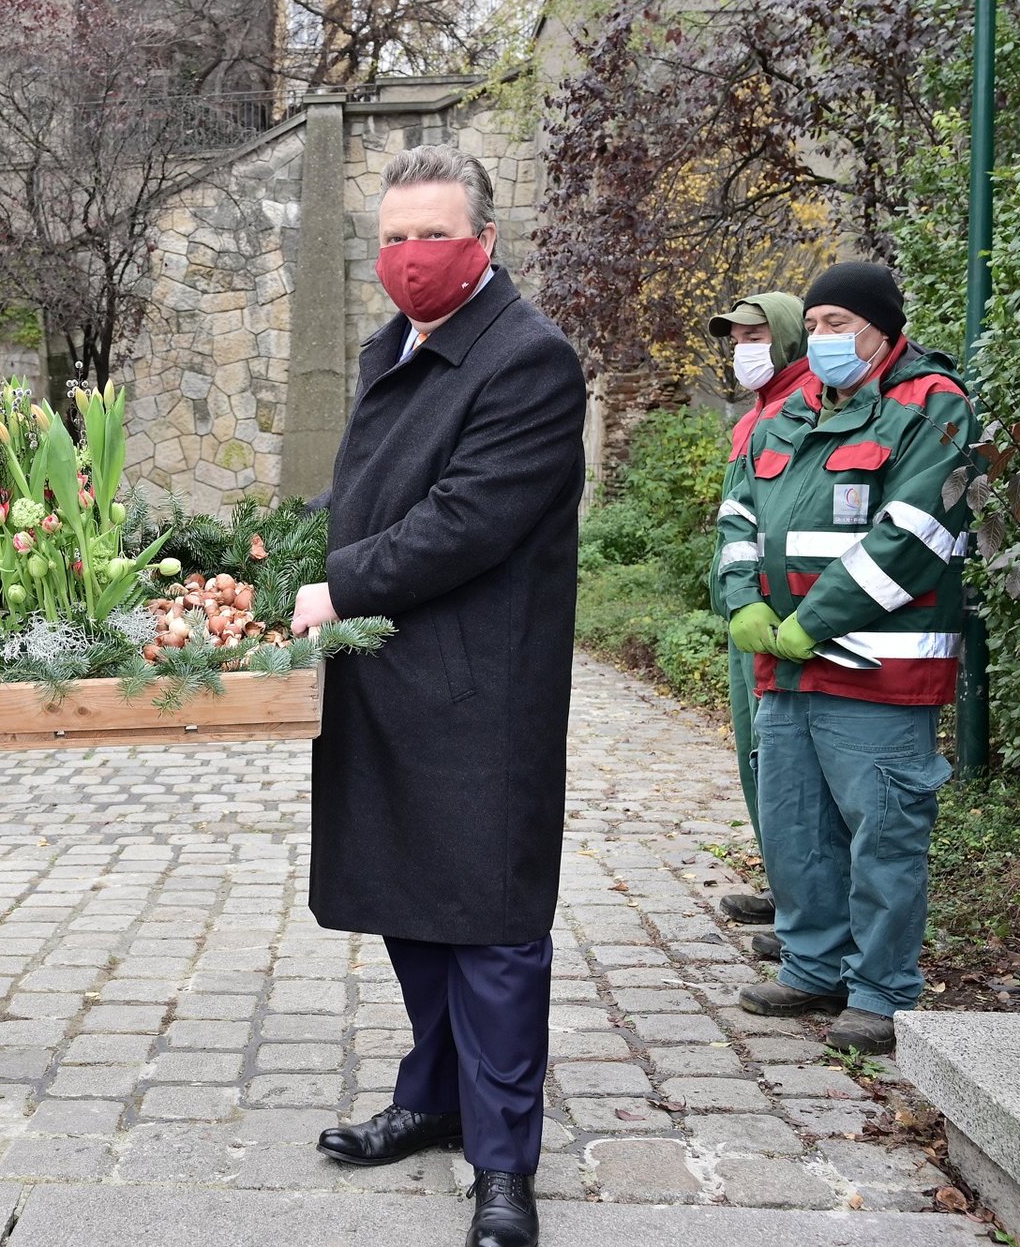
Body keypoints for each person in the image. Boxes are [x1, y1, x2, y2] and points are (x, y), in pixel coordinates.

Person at [292, 145, 587, 1247]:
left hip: (478, 693)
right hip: (386, 673)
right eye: (396, 237)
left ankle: (504, 1165)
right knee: (410, 901)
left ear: (485, 242)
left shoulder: (528, 360)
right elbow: (371, 491)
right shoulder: (395, 347)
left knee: (494, 926)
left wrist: (338, 584)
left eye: (435, 234)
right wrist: (276, 550)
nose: (412, 257)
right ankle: (434, 1092)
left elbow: (470, 516)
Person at [715, 261, 973, 1055]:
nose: (823, 338)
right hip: (786, 669)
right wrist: (743, 598)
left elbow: (916, 535)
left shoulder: (932, 406)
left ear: (884, 329)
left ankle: (881, 989)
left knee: (884, 833)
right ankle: (813, 964)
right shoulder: (784, 413)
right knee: (796, 829)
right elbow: (735, 513)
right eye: (816, 323)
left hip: (879, 671)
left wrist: (814, 620)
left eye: (839, 324)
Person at [706, 293, 813, 962]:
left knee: (784, 759)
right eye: (736, 335)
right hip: (746, 607)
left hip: (781, 613)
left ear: (786, 337)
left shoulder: (804, 405)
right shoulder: (760, 410)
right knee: (757, 754)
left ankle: (808, 905)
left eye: (755, 333)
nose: (743, 346)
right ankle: (787, 884)